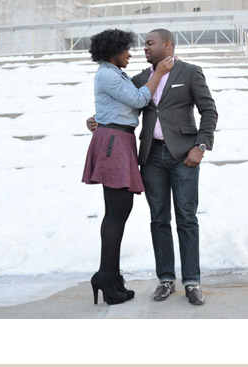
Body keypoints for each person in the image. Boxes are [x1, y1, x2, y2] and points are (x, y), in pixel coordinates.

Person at [82, 28, 174, 305]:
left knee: (118, 211)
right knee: (117, 212)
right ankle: (106, 276)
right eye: (126, 49)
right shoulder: (108, 73)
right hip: (113, 141)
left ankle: (109, 276)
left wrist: (96, 117)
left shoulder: (114, 73)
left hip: (118, 138)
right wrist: (158, 74)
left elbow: (122, 105)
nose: (130, 54)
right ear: (113, 51)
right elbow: (137, 100)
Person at [134, 29, 217, 306]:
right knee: (158, 219)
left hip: (184, 156)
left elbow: (209, 110)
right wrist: (97, 120)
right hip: (151, 157)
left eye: (150, 43)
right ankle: (165, 279)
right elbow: (127, 109)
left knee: (186, 218)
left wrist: (201, 146)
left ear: (167, 45)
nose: (144, 48)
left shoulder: (190, 72)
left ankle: (192, 282)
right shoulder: (140, 79)